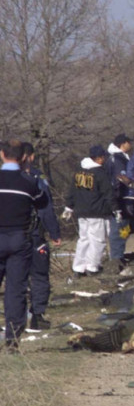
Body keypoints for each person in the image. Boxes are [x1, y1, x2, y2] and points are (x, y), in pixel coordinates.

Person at [0, 140, 49, 350]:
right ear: (23, 158)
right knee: (16, 289)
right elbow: (42, 203)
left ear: (2, 155)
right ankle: (12, 338)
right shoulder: (28, 183)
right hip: (20, 239)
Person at [21, 142, 61, 330]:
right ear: (30, 156)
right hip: (33, 233)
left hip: (7, 234)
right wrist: (54, 232)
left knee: (13, 277)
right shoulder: (36, 178)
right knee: (39, 275)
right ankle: (37, 315)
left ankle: (16, 317)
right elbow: (45, 208)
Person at [64, 145, 119, 276]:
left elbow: (72, 190)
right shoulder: (100, 173)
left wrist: (69, 206)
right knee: (98, 240)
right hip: (97, 212)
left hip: (81, 211)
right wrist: (116, 209)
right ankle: (92, 267)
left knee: (83, 239)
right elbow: (108, 193)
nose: (104, 159)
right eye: (103, 157)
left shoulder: (79, 171)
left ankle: (78, 267)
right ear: (99, 158)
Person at [106, 133, 132, 261]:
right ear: (123, 144)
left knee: (124, 227)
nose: (130, 145)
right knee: (120, 227)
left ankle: (119, 254)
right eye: (128, 142)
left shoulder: (117, 158)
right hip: (120, 198)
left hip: (120, 197)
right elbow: (119, 180)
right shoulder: (118, 160)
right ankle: (117, 257)